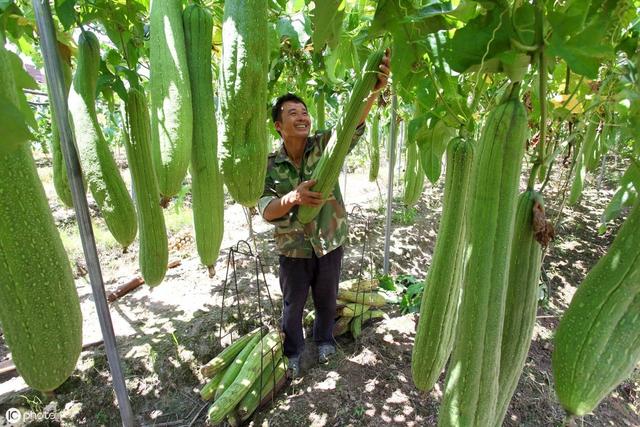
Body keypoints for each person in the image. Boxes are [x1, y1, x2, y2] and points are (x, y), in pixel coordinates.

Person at [258, 49, 390, 377]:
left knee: (327, 297)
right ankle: (294, 351)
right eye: (293, 113)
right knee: (292, 305)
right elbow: (264, 209)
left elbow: (354, 123)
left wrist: (374, 88)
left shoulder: (324, 144)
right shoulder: (269, 167)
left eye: (304, 112)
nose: (302, 117)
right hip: (293, 248)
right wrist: (292, 198)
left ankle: (325, 339)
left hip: (330, 240)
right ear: (278, 125)